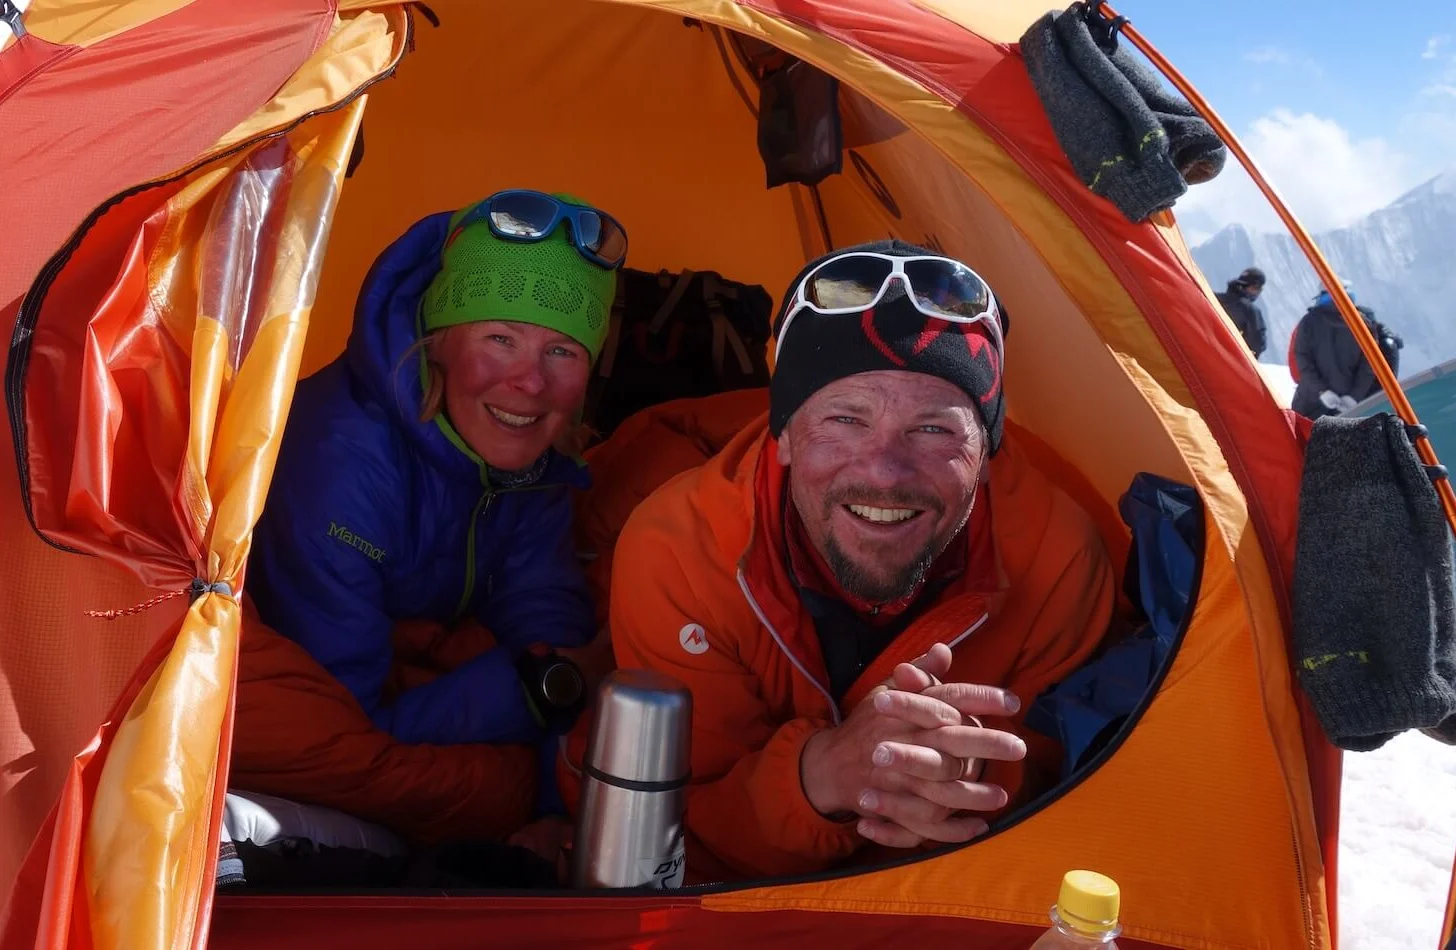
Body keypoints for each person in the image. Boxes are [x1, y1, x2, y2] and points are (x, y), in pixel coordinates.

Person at [596, 241, 1116, 882]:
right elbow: (674, 829)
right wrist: (824, 774)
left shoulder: (1057, 557)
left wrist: (959, 770)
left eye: (934, 429)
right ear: (783, 434)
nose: (884, 472)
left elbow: (1056, 796)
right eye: (845, 418)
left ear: (985, 452)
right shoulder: (678, 550)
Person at [243, 190, 625, 871]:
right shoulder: (340, 464)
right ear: (438, 343)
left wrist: (555, 805)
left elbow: (549, 621)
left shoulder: (536, 467)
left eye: (563, 351)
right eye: (499, 338)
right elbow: (351, 728)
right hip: (310, 701)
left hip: (422, 693)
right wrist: (542, 691)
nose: (529, 383)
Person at [1291, 281, 1403, 419]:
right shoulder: (1363, 323)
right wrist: (1354, 397)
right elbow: (1369, 364)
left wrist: (1321, 391)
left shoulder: (1309, 322)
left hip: (1310, 403)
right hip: (1352, 409)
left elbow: (1302, 359)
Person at [1215, 266, 1268, 358]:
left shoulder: (1213, 298)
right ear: (1253, 287)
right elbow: (1258, 343)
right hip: (1229, 362)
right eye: (1257, 289)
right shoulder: (1251, 311)